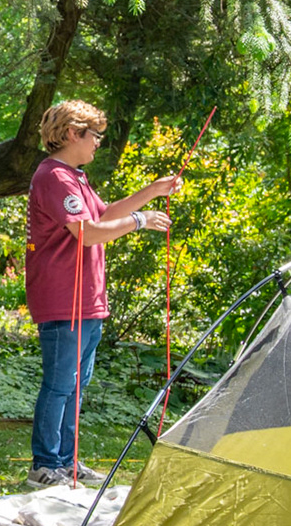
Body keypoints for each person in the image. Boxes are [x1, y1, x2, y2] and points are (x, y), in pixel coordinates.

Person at [25, 100, 180, 486]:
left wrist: (152, 191)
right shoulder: (54, 177)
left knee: (76, 386)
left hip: (86, 302)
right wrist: (141, 221)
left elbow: (104, 215)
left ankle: (67, 461)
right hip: (63, 300)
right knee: (59, 385)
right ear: (72, 133)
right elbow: (88, 232)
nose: (98, 142)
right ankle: (44, 465)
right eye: (94, 135)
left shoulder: (74, 177)